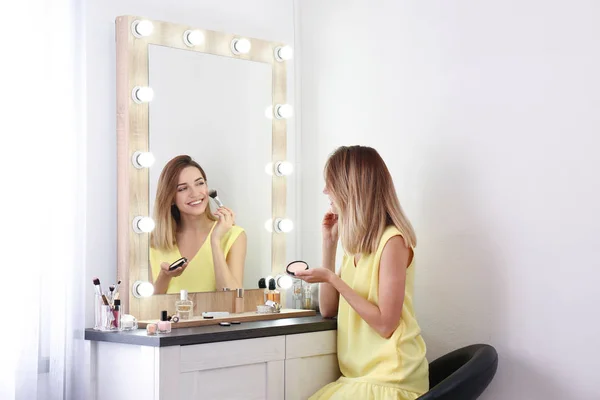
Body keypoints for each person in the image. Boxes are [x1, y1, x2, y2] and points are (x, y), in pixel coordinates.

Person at [295, 146, 429, 399]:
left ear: (350, 189)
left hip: (391, 377)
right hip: (358, 376)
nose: (325, 190)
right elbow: (328, 309)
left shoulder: (393, 242)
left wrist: (333, 278)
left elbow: (385, 325)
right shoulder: (355, 249)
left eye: (330, 183)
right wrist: (329, 245)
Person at [149, 155, 246, 294]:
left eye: (199, 183)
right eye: (182, 188)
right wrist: (165, 276)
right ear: (170, 198)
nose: (195, 193)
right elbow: (148, 308)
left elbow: (233, 300)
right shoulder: (155, 243)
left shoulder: (234, 236)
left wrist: (215, 241)